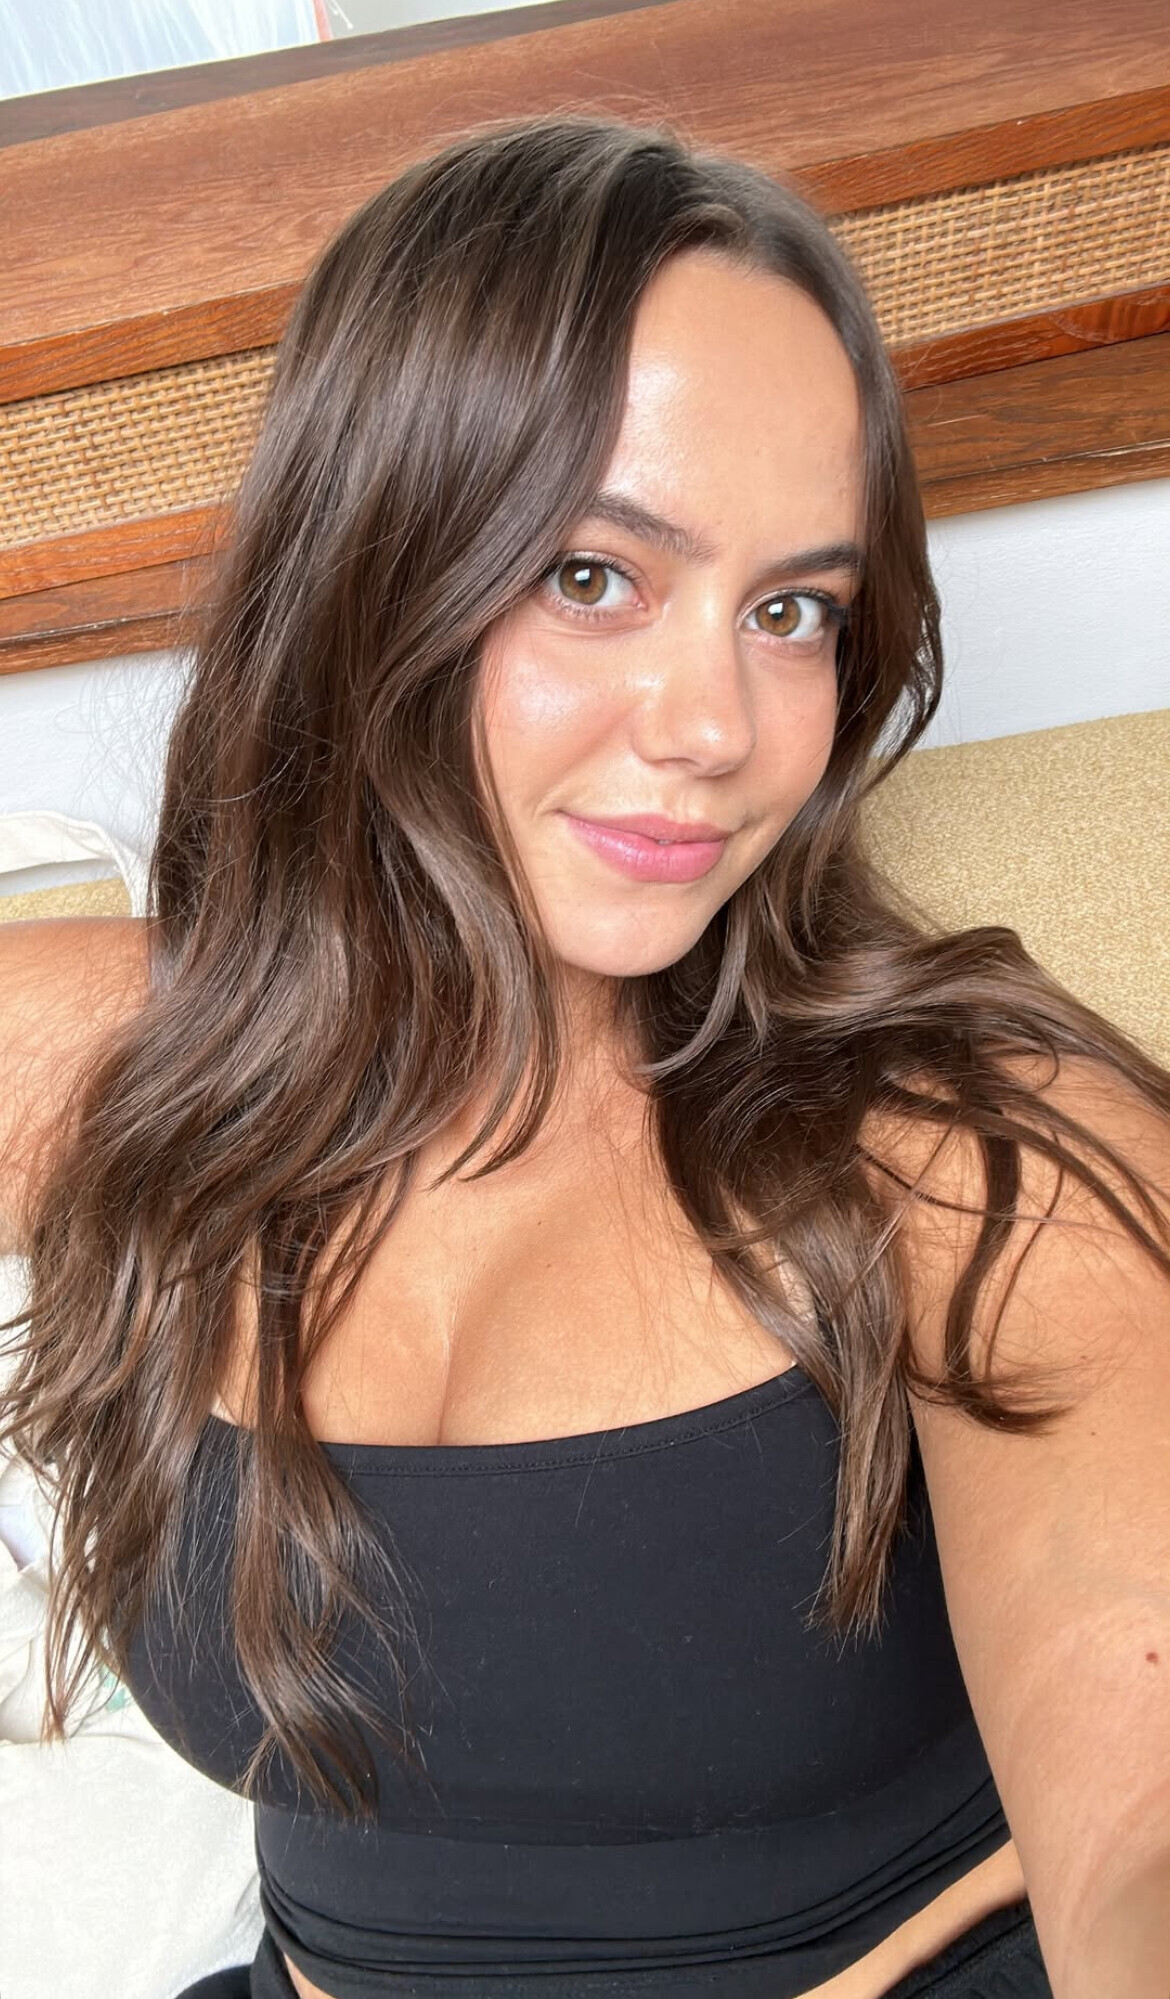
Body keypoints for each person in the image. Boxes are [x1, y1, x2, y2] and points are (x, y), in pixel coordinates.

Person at [1, 111, 1168, 1999]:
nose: (718, 726)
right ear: (372, 564)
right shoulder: (135, 1051)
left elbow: (1140, 1810)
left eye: (791, 611)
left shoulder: (970, 1145)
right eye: (592, 577)